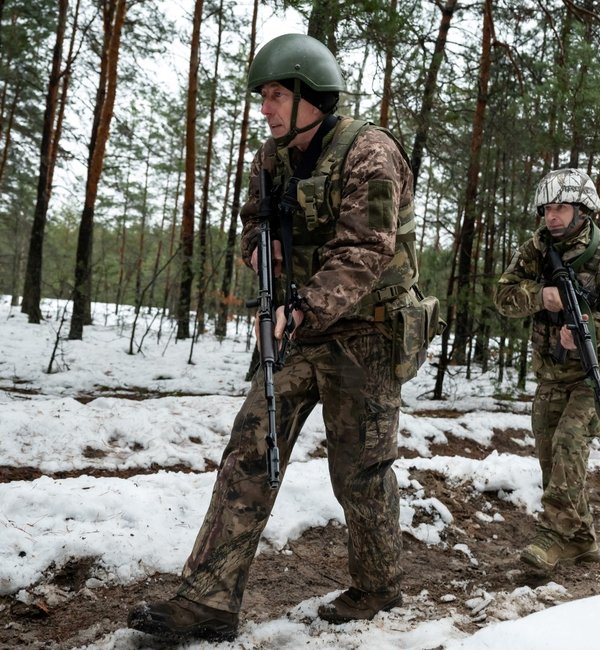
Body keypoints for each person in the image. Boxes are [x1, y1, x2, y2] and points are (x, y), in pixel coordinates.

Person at [128, 33, 427, 641]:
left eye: (273, 95)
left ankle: (377, 586)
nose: (263, 108)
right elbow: (250, 228)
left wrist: (305, 305)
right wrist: (264, 260)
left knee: (361, 471)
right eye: (261, 96)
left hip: (365, 335)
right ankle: (207, 601)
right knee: (249, 451)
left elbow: (366, 248)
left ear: (310, 94)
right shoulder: (272, 160)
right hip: (297, 328)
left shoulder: (370, 152)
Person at [494, 168, 600, 575]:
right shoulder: (535, 250)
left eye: (561, 208)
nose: (552, 217)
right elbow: (503, 296)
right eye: (547, 209)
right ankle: (582, 539)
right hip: (553, 371)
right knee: (550, 457)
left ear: (583, 210)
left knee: (570, 441)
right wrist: (541, 296)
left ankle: (553, 538)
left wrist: (589, 330)